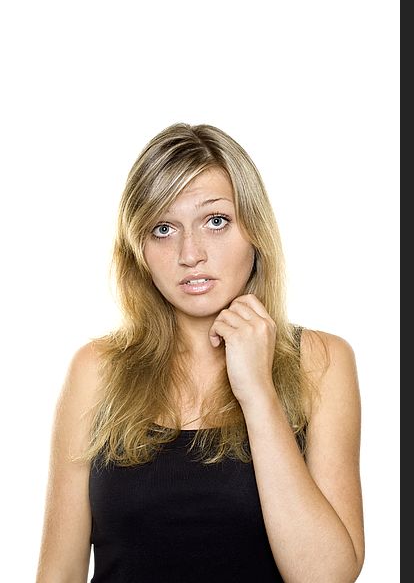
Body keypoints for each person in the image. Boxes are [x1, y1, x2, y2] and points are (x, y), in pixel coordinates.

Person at [36, 123, 365, 582]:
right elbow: (59, 573)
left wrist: (258, 394)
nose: (190, 253)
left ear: (254, 228)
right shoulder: (97, 369)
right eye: (164, 228)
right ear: (139, 249)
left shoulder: (322, 361)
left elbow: (327, 576)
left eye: (216, 221)